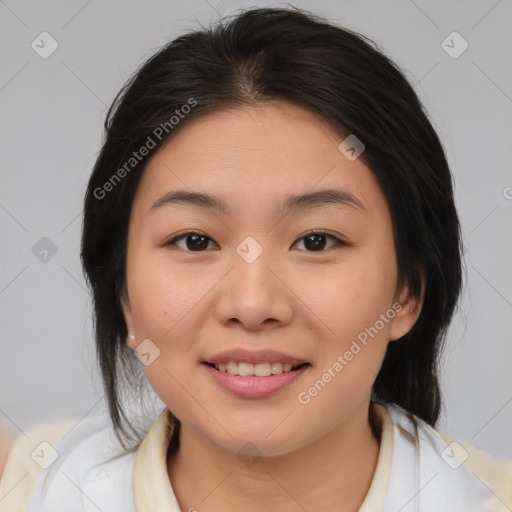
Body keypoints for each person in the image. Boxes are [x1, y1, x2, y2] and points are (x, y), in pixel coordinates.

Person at [1, 6, 511, 512]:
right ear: (123, 294)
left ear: (407, 292)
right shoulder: (25, 486)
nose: (251, 304)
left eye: (316, 241)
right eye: (195, 241)